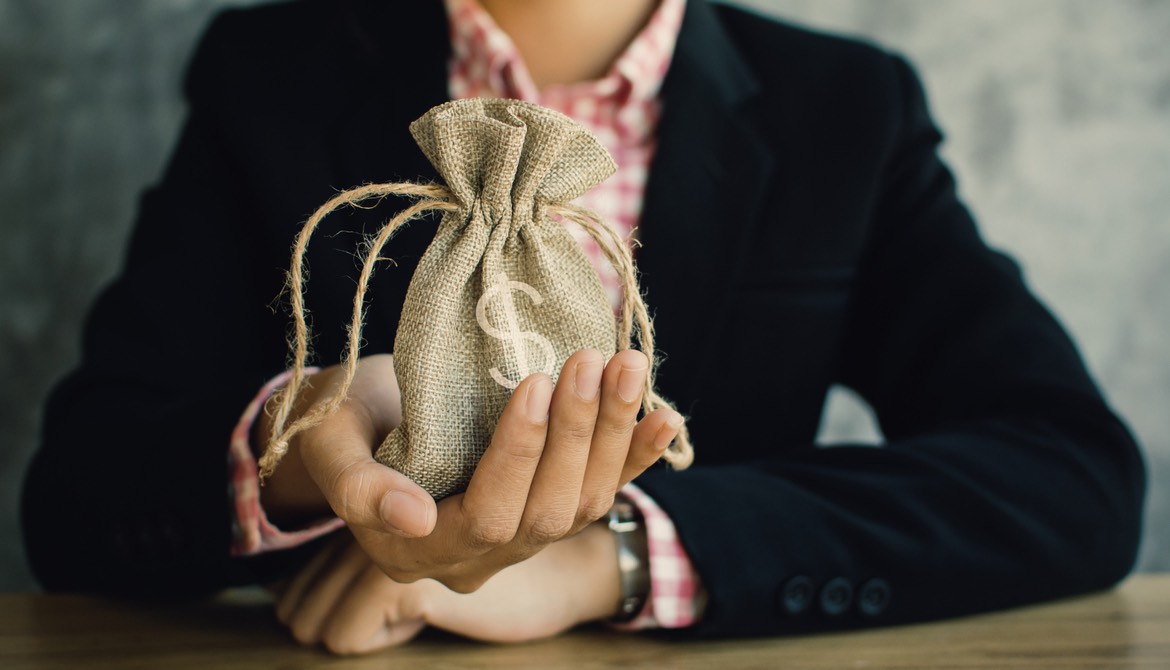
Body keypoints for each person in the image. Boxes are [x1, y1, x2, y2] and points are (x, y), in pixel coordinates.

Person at [22, 0, 1146, 656]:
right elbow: (77, 494)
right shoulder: (274, 73)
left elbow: (1070, 473)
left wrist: (603, 557)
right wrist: (301, 448)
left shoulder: (843, 111)